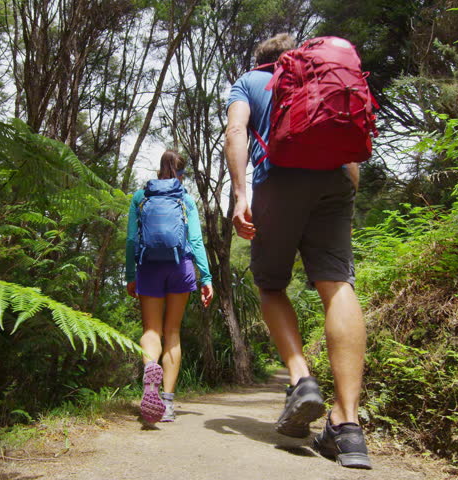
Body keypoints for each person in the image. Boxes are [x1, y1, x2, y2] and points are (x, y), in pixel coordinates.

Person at [224, 33, 372, 469]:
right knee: (337, 283)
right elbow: (350, 153)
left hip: (279, 177)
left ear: (261, 61)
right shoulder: (321, 77)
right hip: (336, 181)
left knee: (270, 285)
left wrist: (238, 195)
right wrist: (344, 192)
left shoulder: (249, 81)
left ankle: (302, 379)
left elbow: (236, 130)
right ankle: (348, 427)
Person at [125, 150, 214, 424]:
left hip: (148, 266)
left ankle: (150, 368)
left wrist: (130, 274)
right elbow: (196, 241)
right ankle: (168, 403)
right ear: (181, 173)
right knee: (172, 332)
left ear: (158, 170)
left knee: (151, 330)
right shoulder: (185, 200)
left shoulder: (141, 198)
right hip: (181, 267)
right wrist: (206, 278)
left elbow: (130, 240)